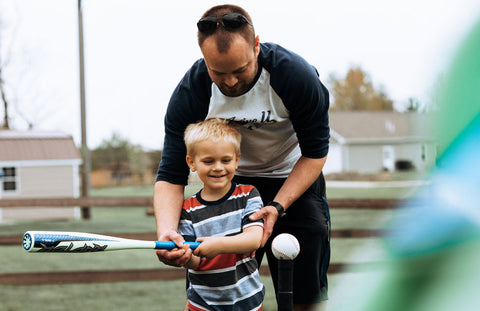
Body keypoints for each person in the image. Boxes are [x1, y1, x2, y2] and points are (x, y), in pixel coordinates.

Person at [154, 4, 331, 310]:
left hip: (293, 179)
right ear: (204, 58)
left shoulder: (295, 77)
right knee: (214, 291)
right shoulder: (192, 92)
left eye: (240, 69)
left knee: (307, 296)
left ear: (257, 46)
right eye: (218, 72)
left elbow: (315, 154)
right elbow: (170, 174)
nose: (231, 82)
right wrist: (166, 232)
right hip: (229, 184)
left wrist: (277, 205)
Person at [179, 118, 265, 311]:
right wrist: (183, 256)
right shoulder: (187, 208)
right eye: (208, 161)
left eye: (225, 160)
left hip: (246, 301)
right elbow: (194, 260)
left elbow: (254, 239)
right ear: (191, 162)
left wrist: (217, 245)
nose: (218, 167)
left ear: (236, 160)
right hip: (203, 303)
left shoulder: (248, 195)